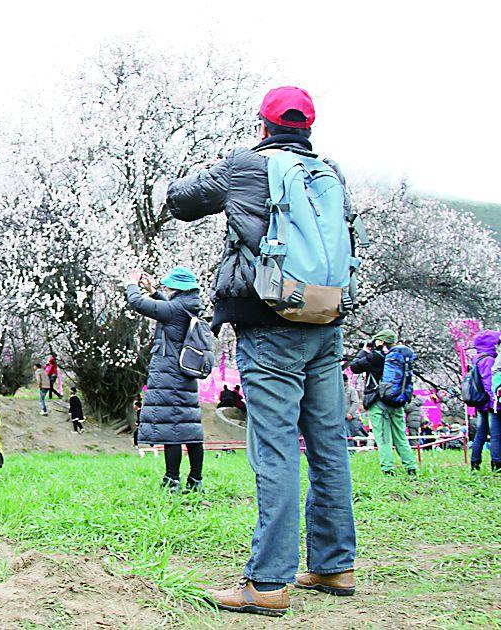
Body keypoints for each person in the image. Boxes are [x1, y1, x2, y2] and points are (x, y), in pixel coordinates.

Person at [166, 86, 356, 614]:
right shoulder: (329, 173)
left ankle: (268, 582)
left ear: (264, 124)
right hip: (325, 319)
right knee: (328, 444)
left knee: (275, 451)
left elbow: (181, 201)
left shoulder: (246, 165)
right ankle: (334, 565)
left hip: (269, 325)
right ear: (308, 127)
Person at [125, 266, 204, 494]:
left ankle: (172, 480)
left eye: (170, 287)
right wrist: (154, 291)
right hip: (185, 374)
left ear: (178, 288)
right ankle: (195, 480)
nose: (167, 289)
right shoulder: (189, 306)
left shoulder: (174, 309)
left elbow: (136, 302)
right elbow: (169, 309)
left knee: (173, 429)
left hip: (170, 374)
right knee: (190, 428)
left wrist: (132, 283)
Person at [350, 329, 418, 476]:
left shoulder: (375, 356)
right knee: (401, 436)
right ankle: (411, 467)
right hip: (396, 401)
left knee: (383, 438)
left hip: (377, 402)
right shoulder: (399, 357)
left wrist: (364, 351)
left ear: (381, 341)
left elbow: (354, 367)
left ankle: (388, 469)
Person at [471, 330, 501, 471]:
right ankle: (497, 463)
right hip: (489, 403)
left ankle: (475, 462)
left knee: (480, 434)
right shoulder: (488, 360)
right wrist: (495, 400)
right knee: (496, 435)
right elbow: (490, 383)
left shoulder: (477, 358)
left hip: (480, 402)